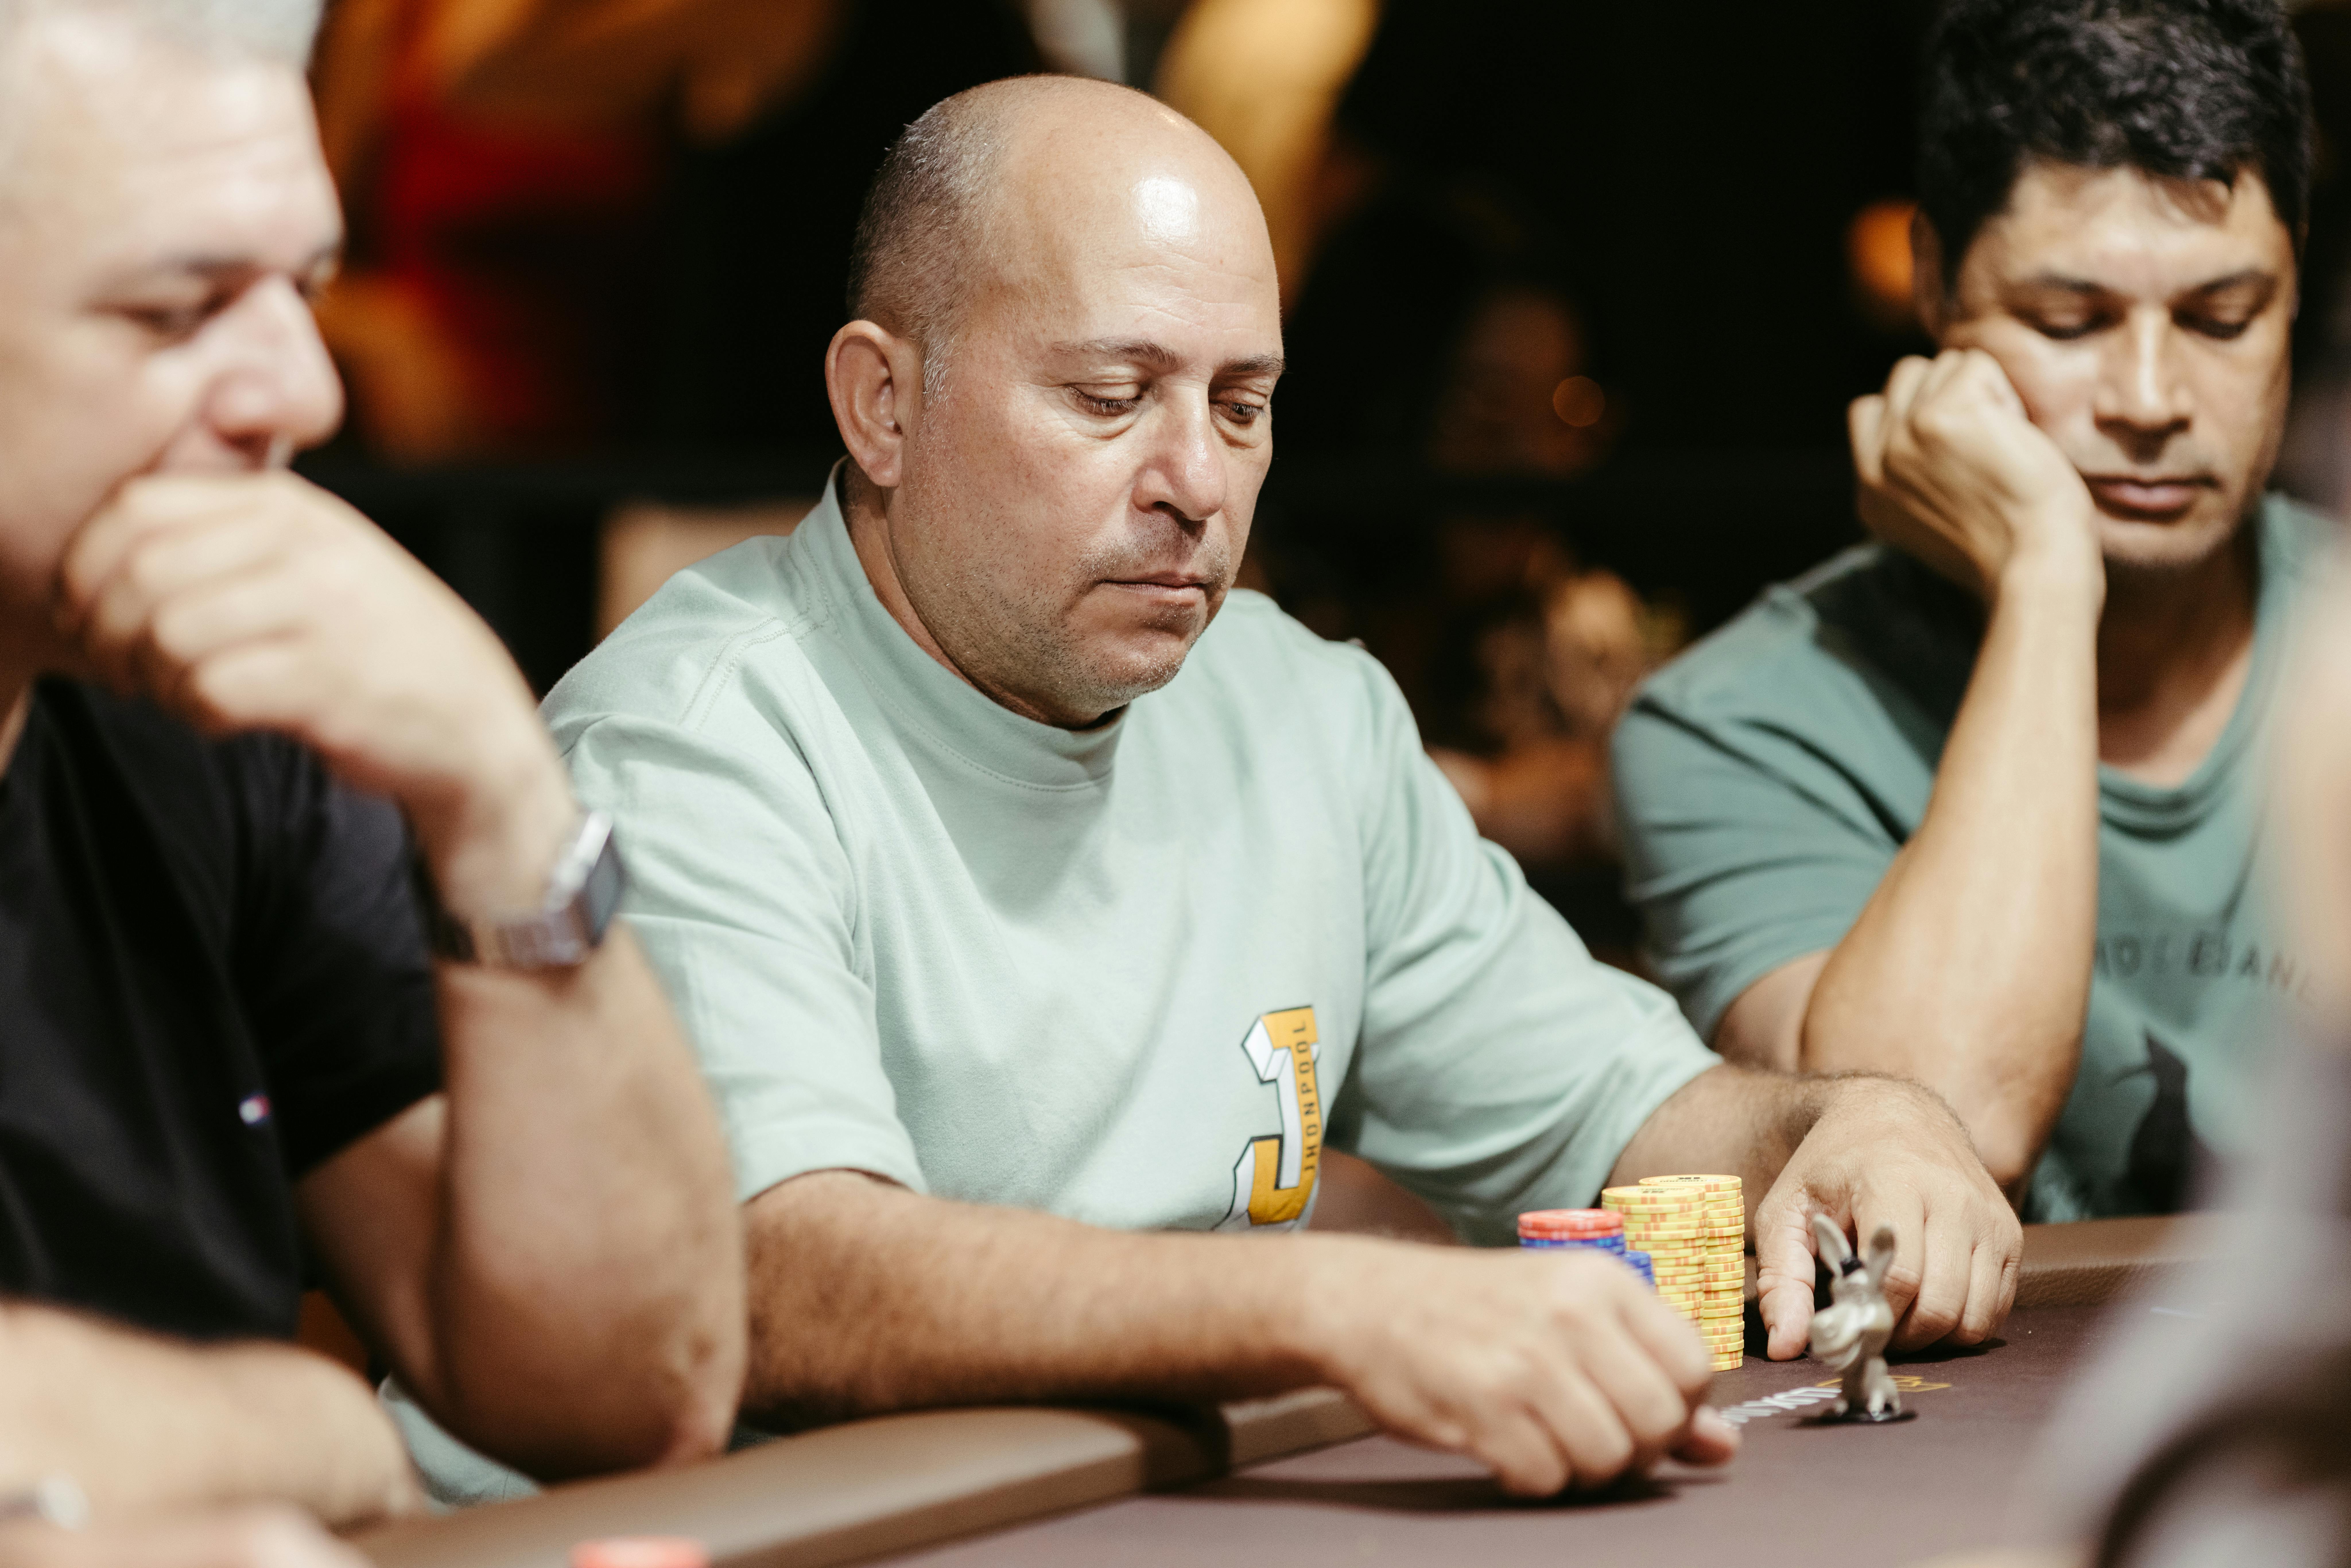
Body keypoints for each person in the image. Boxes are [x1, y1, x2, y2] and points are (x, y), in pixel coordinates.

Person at [543, 73, 2018, 1501]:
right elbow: (789, 1279)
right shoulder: (690, 744)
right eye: (1112, 397)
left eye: (1240, 404)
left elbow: (1624, 1111)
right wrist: (1334, 1307)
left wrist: (1847, 1121)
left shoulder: (1302, 710)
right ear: (882, 405)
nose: (1196, 481)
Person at [0, 0, 746, 1525]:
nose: (310, 390)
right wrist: (303, 1423)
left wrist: (500, 794)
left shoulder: (205, 710)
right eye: (177, 309)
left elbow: (633, 1386)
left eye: (306, 286)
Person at [1612, 0, 2324, 1220]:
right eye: (2068, 322)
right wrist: (2046, 579)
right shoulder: (1732, 722)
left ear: (2295, 291)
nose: (2148, 396)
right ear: (1934, 284)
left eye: (2219, 319)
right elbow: (1933, 1136)